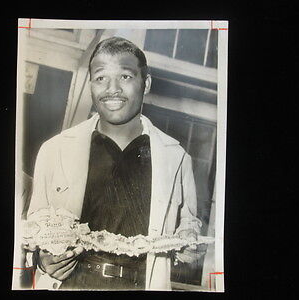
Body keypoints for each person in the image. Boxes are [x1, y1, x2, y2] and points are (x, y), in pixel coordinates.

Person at [22, 36, 203, 290]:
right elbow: (33, 231)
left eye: (125, 77)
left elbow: (189, 227)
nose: (112, 89)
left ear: (146, 83)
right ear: (90, 85)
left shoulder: (176, 158)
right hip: (71, 284)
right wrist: (42, 260)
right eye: (100, 78)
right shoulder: (54, 150)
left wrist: (190, 247)